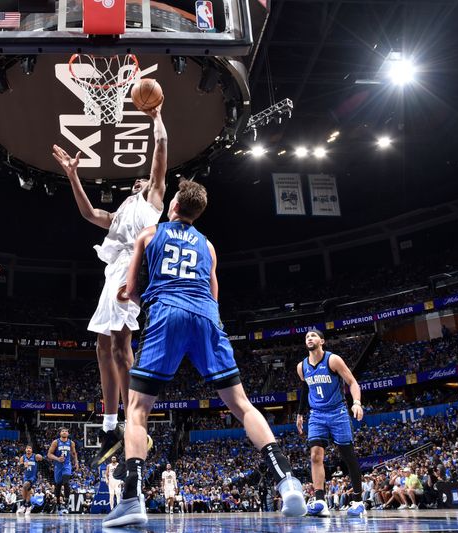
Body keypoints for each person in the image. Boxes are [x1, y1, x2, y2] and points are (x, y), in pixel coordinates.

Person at [103, 181, 306, 527]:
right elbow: (213, 295)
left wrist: (127, 298)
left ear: (174, 205)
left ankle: (132, 499)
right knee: (241, 405)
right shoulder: (208, 246)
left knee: (137, 410)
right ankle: (287, 480)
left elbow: (134, 290)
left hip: (167, 313)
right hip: (206, 316)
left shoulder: (150, 235)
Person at [51, 103, 167, 466]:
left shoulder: (152, 201)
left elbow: (160, 154)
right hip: (112, 274)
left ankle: (137, 418)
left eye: (145, 179)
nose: (140, 179)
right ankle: (109, 424)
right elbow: (88, 213)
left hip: (132, 270)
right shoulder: (120, 214)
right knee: (103, 347)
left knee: (120, 345)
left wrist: (157, 120)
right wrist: (72, 175)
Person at [296, 329, 366, 517]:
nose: (309, 338)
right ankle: (320, 500)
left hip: (338, 412)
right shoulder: (301, 366)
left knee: (348, 457)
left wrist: (357, 403)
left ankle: (359, 501)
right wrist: (300, 413)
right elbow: (305, 389)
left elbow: (352, 382)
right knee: (315, 455)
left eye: (313, 336)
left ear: (322, 341)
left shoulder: (333, 360)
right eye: (306, 337)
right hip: (317, 414)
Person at [47, 427, 79, 515]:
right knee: (58, 485)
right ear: (60, 433)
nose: (64, 432)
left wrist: (76, 462)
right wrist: (57, 458)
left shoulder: (71, 443)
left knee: (66, 481)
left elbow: (74, 453)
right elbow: (49, 454)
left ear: (68, 434)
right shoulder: (56, 442)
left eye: (66, 431)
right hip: (58, 466)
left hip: (67, 465)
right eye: (63, 431)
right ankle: (57, 503)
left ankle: (66, 503)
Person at [17, 445, 43, 516]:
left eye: (30, 448)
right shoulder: (22, 457)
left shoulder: (35, 456)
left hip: (33, 476)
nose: (28, 449)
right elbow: (20, 469)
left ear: (32, 450)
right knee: (26, 489)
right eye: (27, 448)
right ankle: (28, 506)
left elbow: (42, 459)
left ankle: (24, 504)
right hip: (26, 476)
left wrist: (41, 457)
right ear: (25, 450)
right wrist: (23, 466)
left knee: (25, 486)